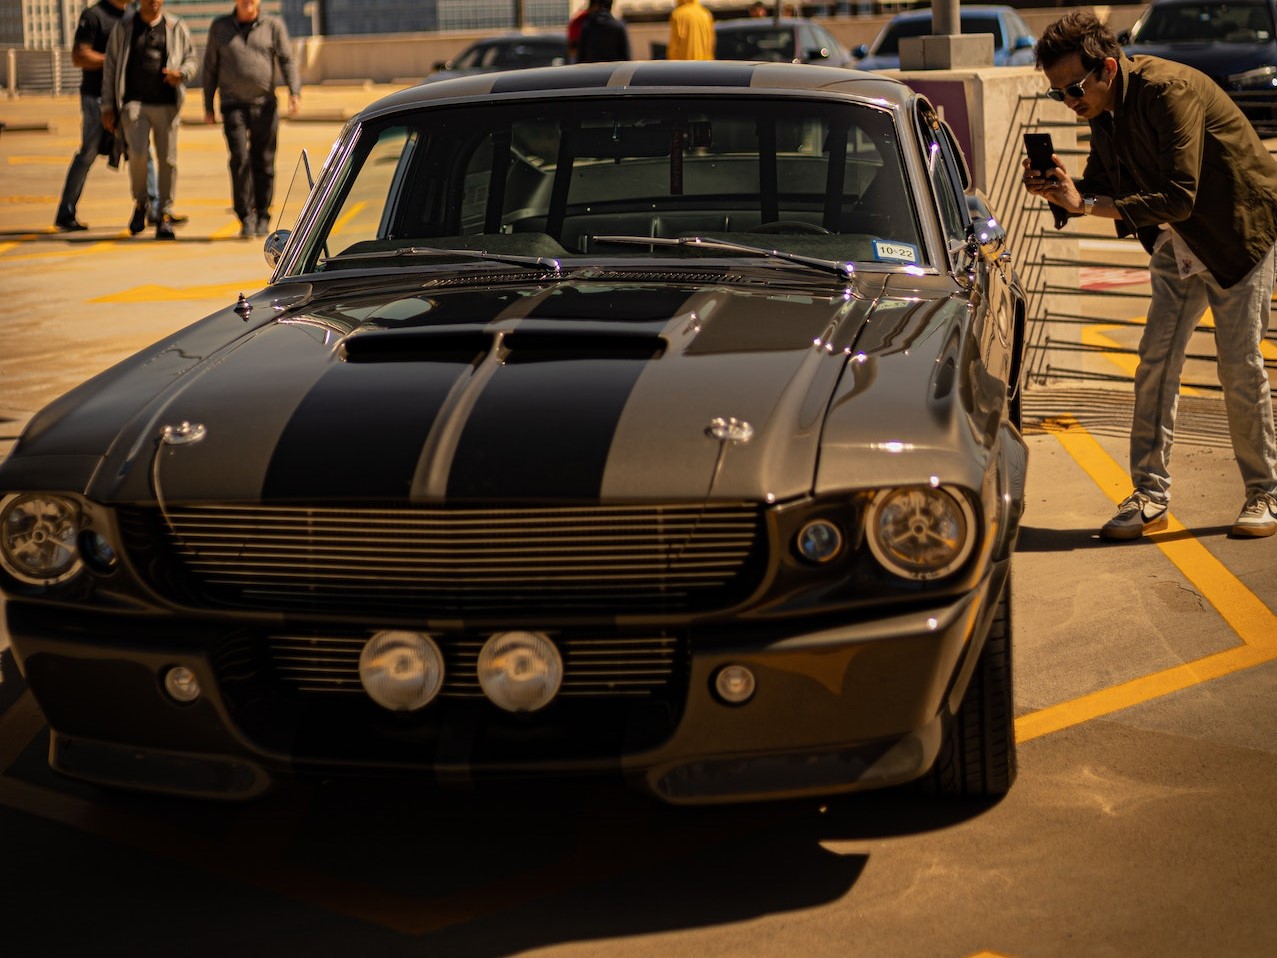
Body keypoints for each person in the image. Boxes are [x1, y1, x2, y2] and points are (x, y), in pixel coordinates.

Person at [1023, 11, 1277, 540]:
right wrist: (1064, 190)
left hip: (1236, 236)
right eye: (1058, 95)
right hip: (1178, 242)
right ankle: (1150, 495)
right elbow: (1099, 184)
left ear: (1108, 69)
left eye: (1074, 89)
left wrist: (1086, 202)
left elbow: (1178, 196)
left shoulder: (1168, 92)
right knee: (1155, 362)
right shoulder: (1102, 108)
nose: (1071, 103)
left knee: (1238, 366)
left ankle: (1264, 493)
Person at [54, 0, 165, 232]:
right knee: (88, 153)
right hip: (96, 98)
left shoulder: (133, 16)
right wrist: (116, 59)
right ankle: (66, 212)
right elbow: (79, 56)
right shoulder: (94, 15)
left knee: (143, 151)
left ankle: (155, 209)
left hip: (128, 99)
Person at [202, 0, 302, 239]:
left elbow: (286, 59)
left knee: (264, 160)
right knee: (239, 157)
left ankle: (263, 214)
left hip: (265, 104)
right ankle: (245, 215)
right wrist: (207, 104)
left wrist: (294, 91)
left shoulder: (272, 26)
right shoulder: (220, 27)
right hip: (232, 104)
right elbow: (210, 67)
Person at [101, 0, 197, 241]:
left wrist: (181, 74)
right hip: (134, 103)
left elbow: (192, 60)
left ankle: (164, 213)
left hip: (167, 104)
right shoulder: (124, 28)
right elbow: (111, 67)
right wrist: (108, 105)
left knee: (168, 160)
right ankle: (141, 202)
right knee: (138, 155)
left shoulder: (175, 26)